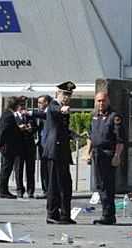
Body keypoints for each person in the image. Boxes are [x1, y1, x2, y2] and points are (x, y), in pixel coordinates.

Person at [86, 91, 125, 225]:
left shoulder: (114, 117)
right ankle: (106, 213)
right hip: (97, 154)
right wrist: (88, 152)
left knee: (107, 186)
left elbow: (120, 140)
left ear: (108, 100)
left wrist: (117, 156)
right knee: (100, 185)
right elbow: (91, 137)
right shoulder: (94, 116)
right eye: (98, 101)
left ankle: (108, 215)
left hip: (108, 154)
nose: (101, 103)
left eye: (103, 100)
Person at [43, 81, 77, 224]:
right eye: (64, 94)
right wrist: (63, 110)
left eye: (69, 95)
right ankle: (52, 214)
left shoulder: (62, 107)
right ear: (57, 93)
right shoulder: (54, 106)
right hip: (54, 151)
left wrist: (71, 133)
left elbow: (60, 128)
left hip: (62, 151)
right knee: (54, 184)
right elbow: (56, 110)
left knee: (65, 184)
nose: (67, 97)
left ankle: (64, 215)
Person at [0, 97, 22, 199]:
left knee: (7, 169)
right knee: (6, 169)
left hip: (9, 146)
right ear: (15, 105)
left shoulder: (8, 114)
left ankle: (4, 190)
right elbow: (2, 131)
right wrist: (0, 144)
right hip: (8, 147)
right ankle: (3, 191)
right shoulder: (8, 115)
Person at [13, 96, 37, 198]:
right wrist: (19, 128)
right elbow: (10, 130)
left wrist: (31, 129)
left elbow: (36, 127)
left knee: (30, 169)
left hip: (29, 145)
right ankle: (19, 190)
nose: (23, 107)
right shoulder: (13, 117)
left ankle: (30, 190)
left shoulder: (29, 116)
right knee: (18, 169)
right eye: (21, 105)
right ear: (17, 106)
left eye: (24, 105)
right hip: (18, 146)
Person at [34, 95, 52, 199]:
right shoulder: (40, 114)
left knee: (49, 168)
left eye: (41, 102)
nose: (39, 105)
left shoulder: (49, 112)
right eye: (38, 103)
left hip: (49, 144)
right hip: (42, 144)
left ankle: (50, 189)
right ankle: (45, 189)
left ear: (47, 103)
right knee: (43, 168)